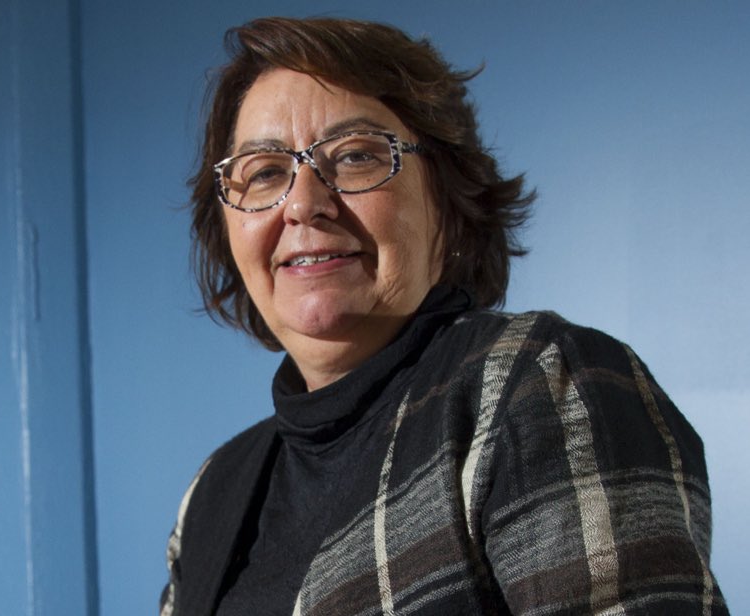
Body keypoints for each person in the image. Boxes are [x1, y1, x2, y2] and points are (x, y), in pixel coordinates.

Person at [161, 16, 728, 616]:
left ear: (449, 204)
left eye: (356, 156)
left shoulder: (538, 386)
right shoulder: (214, 490)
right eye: (265, 172)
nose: (303, 203)